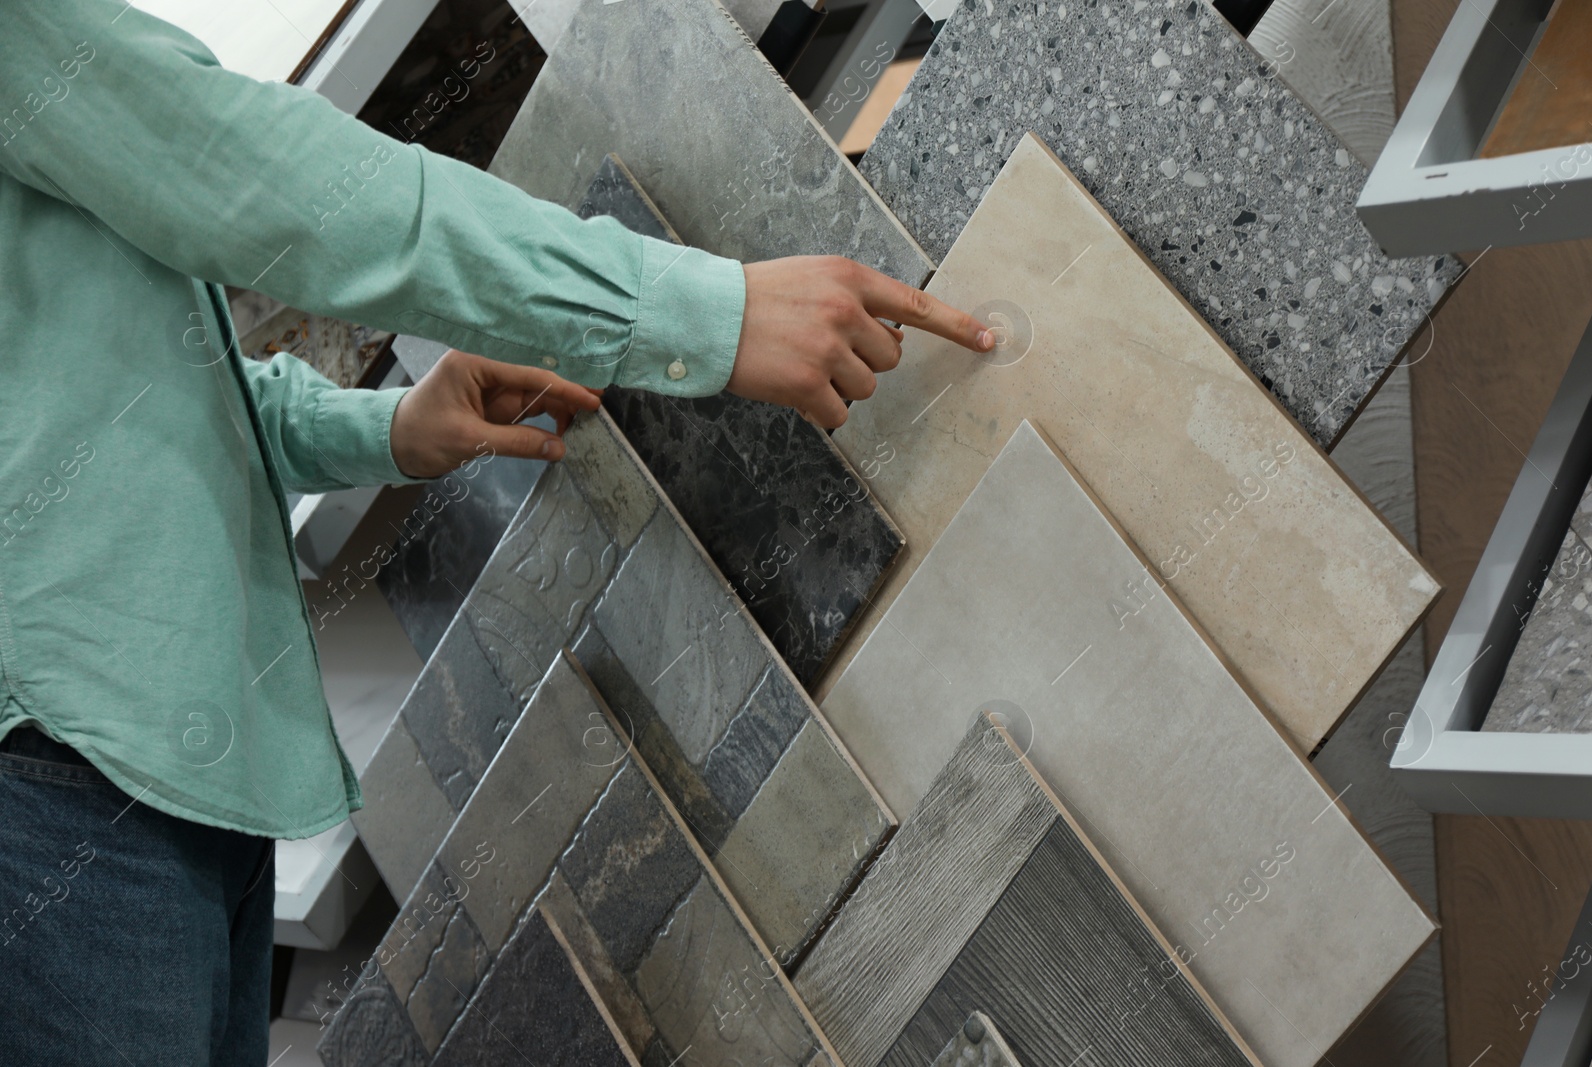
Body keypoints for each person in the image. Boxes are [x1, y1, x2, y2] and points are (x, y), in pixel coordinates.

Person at [0, 0, 993, 1062]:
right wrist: (698, 314)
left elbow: (103, 387)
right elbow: (277, 190)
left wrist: (384, 426)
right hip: (56, 785)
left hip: (127, 778)